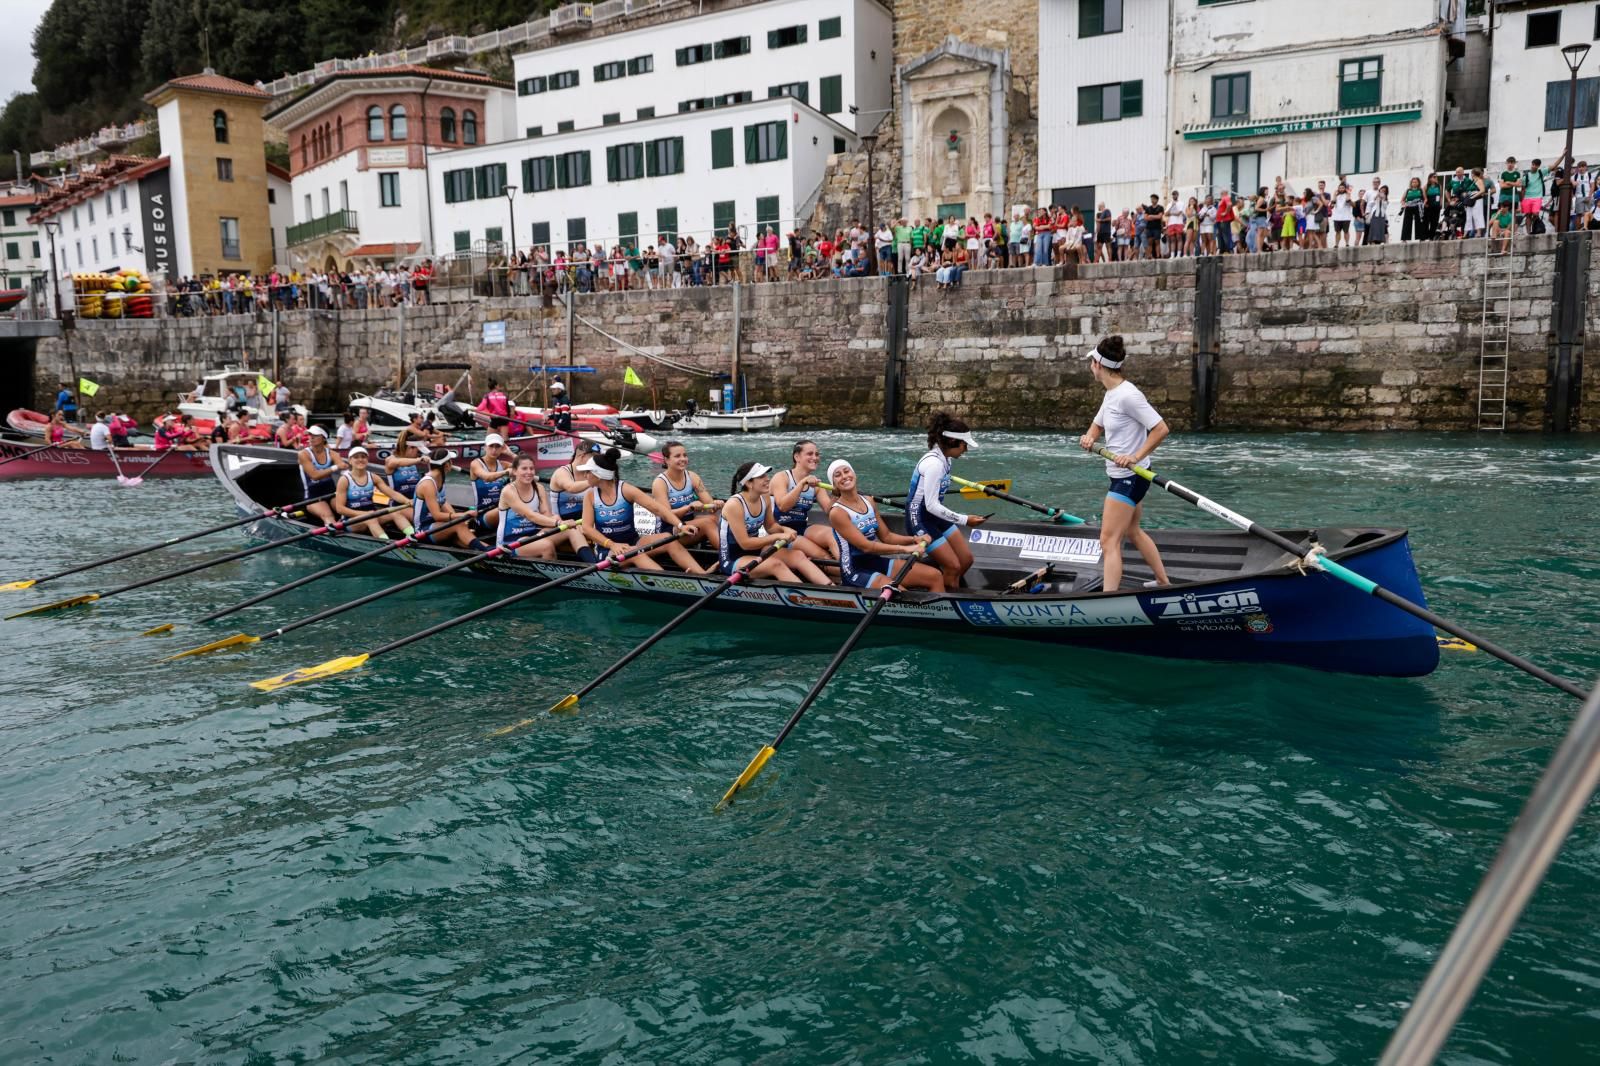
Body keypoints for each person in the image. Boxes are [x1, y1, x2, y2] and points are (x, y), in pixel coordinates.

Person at [1076, 336, 1171, 592]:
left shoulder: (1129, 396)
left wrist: (1135, 456)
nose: (1090, 367)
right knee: (1133, 531)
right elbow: (1098, 423)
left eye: (1091, 362)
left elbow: (1161, 429)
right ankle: (1163, 581)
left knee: (1108, 541)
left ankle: (1107, 599)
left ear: (1098, 364)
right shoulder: (1112, 394)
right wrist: (1089, 438)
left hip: (1129, 477)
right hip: (1126, 476)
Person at [578, 447, 703, 572]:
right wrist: (612, 544)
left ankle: (702, 574)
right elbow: (587, 528)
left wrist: (680, 525)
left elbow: (658, 509)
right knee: (633, 552)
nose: (584, 476)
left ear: (599, 475)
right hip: (607, 550)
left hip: (633, 542)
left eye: (588, 472)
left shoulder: (626, 490)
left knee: (667, 537)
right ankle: (673, 582)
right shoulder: (590, 496)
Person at [826, 458, 943, 592]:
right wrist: (907, 549)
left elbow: (887, 536)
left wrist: (914, 539)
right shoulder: (837, 513)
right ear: (834, 484)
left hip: (875, 561)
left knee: (935, 576)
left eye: (846, 471)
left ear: (854, 474)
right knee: (902, 594)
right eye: (838, 475)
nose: (844, 476)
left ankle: (944, 612)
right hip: (854, 570)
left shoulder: (869, 500)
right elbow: (866, 547)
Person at [907, 412, 986, 588]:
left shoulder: (946, 459)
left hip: (934, 515)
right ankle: (945, 596)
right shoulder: (934, 465)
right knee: (953, 566)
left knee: (966, 560)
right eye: (965, 445)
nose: (966, 450)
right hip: (919, 519)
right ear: (952, 442)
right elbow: (931, 505)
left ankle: (940, 582)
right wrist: (965, 520)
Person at [718, 461, 832, 583]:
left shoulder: (764, 497)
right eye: (762, 477)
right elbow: (745, 543)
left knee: (798, 555)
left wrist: (784, 529)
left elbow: (771, 526)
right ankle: (805, 600)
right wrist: (778, 536)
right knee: (776, 565)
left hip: (756, 551)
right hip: (733, 559)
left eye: (766, 475)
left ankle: (831, 588)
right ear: (748, 483)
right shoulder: (734, 505)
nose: (768, 479)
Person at [772, 438, 838, 561]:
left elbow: (830, 511)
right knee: (822, 555)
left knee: (833, 536)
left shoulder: (816, 485)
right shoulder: (782, 477)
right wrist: (801, 484)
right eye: (810, 454)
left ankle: (850, 570)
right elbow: (783, 506)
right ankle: (846, 574)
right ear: (797, 457)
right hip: (780, 530)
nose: (815, 457)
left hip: (802, 527)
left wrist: (835, 496)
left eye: (817, 454)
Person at [651, 441, 721, 550]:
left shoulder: (693, 477)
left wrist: (716, 504)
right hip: (669, 530)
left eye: (685, 455)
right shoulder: (660, 483)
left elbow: (709, 504)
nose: (683, 459)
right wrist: (688, 507)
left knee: (718, 516)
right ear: (666, 460)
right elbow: (666, 516)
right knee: (708, 522)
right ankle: (727, 556)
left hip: (691, 524)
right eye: (677, 456)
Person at [334, 447, 412, 539]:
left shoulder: (374, 477)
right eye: (356, 457)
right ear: (350, 461)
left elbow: (392, 494)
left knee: (395, 512)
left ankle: (412, 536)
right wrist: (364, 515)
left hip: (372, 515)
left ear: (367, 460)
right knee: (370, 519)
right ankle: (386, 543)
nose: (360, 460)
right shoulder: (344, 480)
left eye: (363, 457)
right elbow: (340, 509)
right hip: (351, 521)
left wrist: (407, 501)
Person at [497, 454, 564, 560]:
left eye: (531, 469)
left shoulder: (539, 488)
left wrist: (553, 518)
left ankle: (593, 565)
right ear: (514, 471)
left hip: (533, 535)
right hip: (510, 543)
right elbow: (530, 515)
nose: (529, 472)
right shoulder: (508, 491)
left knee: (572, 530)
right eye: (524, 468)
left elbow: (546, 515)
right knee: (546, 546)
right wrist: (558, 523)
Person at [412, 448, 481, 549]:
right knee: (458, 526)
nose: (452, 464)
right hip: (423, 530)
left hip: (437, 526)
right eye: (450, 461)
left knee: (461, 527)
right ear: (447, 465)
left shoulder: (440, 478)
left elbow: (443, 503)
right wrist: (463, 514)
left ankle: (491, 552)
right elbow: (437, 516)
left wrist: (460, 519)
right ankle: (487, 551)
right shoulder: (428, 484)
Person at [468, 433, 514, 537]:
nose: (494, 450)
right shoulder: (476, 463)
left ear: (502, 449)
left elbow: (528, 467)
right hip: (482, 515)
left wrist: (510, 454)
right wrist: (506, 472)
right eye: (491, 446)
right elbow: (487, 477)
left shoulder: (503, 464)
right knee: (513, 505)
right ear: (485, 447)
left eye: (497, 447)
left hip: (500, 508)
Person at [296, 425, 346, 522]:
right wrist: (335, 467)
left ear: (323, 437)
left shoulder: (333, 454)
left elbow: (343, 468)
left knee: (347, 512)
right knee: (329, 516)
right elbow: (314, 476)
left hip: (331, 493)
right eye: (310, 434)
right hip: (312, 496)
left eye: (315, 435)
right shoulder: (303, 454)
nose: (311, 437)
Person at [385, 429, 426, 501]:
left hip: (415, 502)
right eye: (418, 451)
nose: (419, 454)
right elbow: (393, 463)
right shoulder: (390, 459)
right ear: (411, 448)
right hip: (398, 505)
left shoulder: (413, 462)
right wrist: (419, 460)